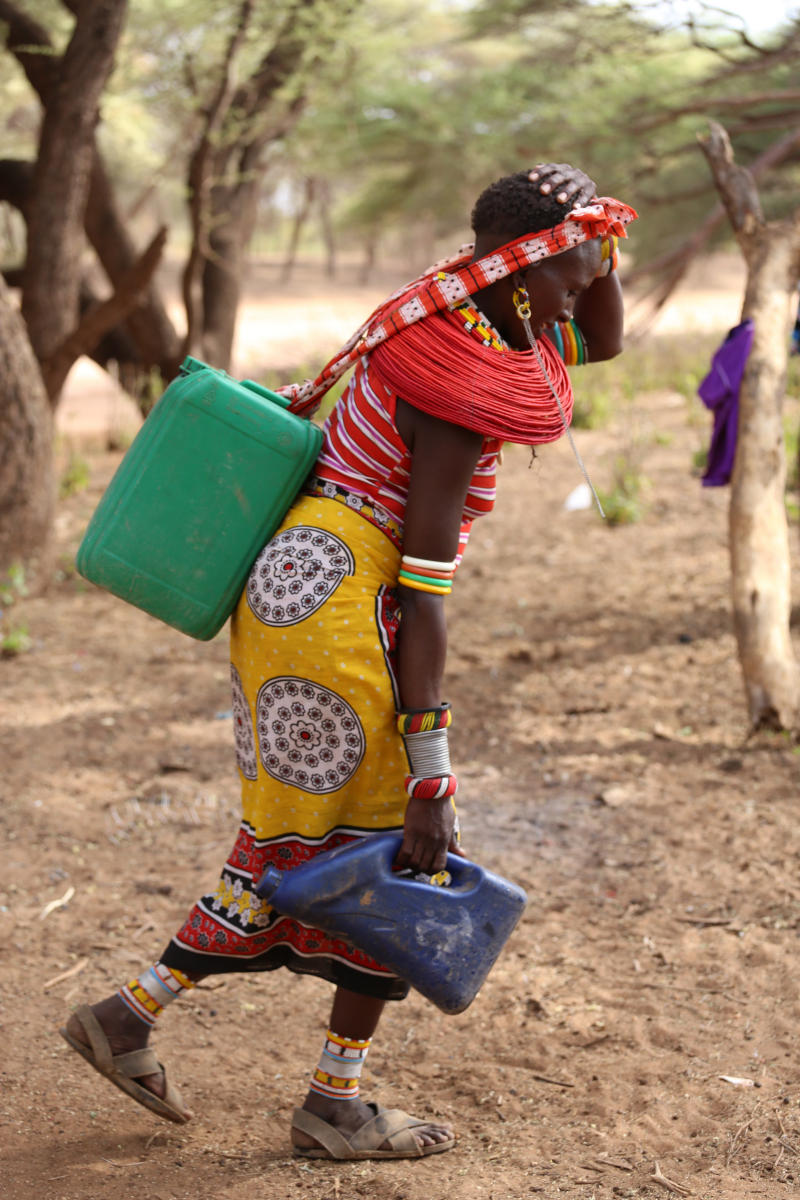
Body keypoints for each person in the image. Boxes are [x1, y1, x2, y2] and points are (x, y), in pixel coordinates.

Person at [61, 163, 637, 1161]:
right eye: (570, 274)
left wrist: (590, 238)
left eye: (593, 271)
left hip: (296, 586)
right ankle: (330, 1103)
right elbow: (422, 593)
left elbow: (606, 337)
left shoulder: (456, 309)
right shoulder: (456, 392)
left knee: (303, 842)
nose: (583, 294)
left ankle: (131, 1015)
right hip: (338, 611)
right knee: (397, 855)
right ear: (516, 272)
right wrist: (432, 772)